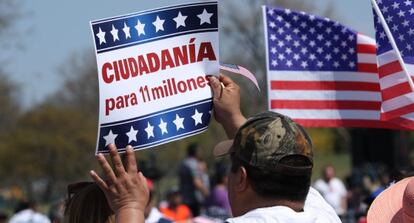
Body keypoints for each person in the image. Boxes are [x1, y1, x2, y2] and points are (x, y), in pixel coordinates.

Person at [91, 75, 341, 222]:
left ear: (240, 179)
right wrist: (233, 118)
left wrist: (130, 208)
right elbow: (281, 162)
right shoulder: (324, 215)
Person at [178, 143, 209, 216]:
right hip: (194, 199)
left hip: (185, 197)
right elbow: (196, 181)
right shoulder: (192, 164)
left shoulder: (184, 163)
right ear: (196, 152)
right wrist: (206, 192)